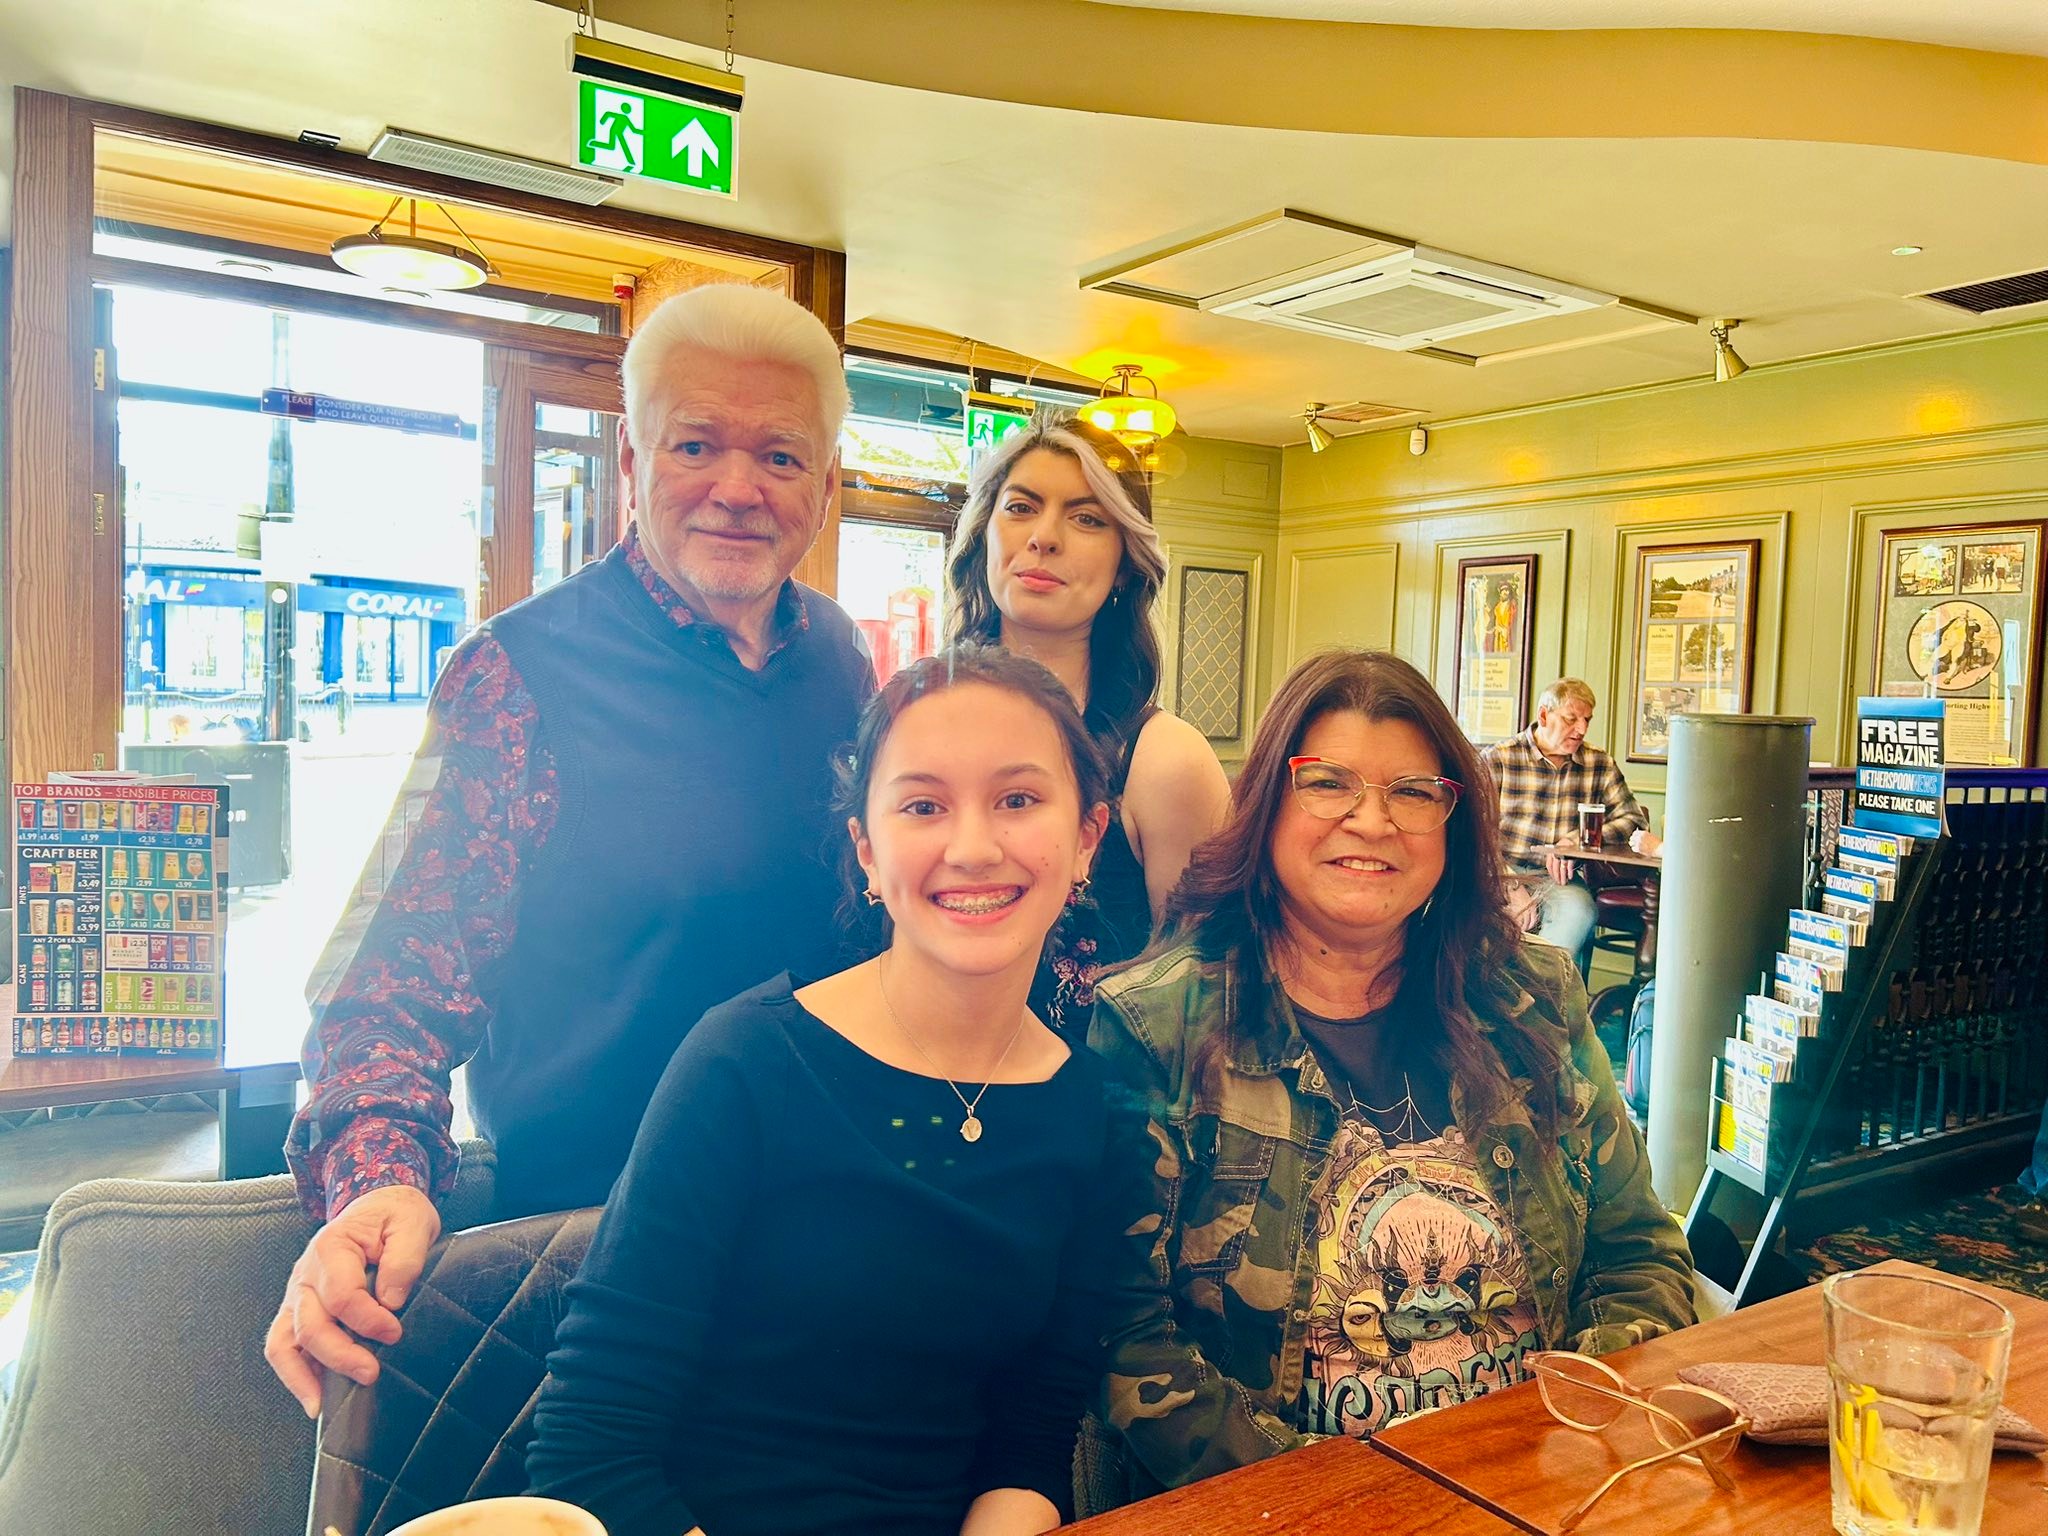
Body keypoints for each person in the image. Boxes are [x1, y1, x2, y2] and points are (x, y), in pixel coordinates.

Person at [265, 283, 876, 1417]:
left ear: (826, 487)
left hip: (822, 1238)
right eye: (696, 444)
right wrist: (378, 1182)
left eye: (782, 458)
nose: (738, 489)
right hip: (596, 1258)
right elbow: (385, 984)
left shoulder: (842, 660)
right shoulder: (512, 676)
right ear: (635, 463)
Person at [527, 646, 1143, 1536]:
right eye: (923, 805)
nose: (973, 847)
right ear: (866, 850)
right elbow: (589, 1447)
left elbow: (1031, 1439)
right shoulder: (745, 1062)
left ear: (1087, 838)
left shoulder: (1091, 1111)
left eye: (1017, 800)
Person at [1088, 649, 1694, 1490]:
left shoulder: (1538, 1000)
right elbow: (1119, 1327)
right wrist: (1342, 1497)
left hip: (1542, 1482)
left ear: (1453, 824)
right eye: (1327, 782)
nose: (1373, 822)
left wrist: (1553, 1436)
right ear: (1266, 804)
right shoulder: (1153, 1024)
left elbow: (1641, 1253)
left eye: (1413, 792)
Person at [947, 420, 1230, 1031]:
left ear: (1128, 562)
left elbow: (1201, 1005)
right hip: (913, 1093)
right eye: (1021, 507)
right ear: (984, 535)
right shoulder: (915, 725)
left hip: (1091, 1110)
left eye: (1087, 518)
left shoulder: (1163, 760)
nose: (1044, 538)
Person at [1481, 677, 1660, 975]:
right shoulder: (1498, 759)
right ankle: (1498, 1003)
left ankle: (1533, 1000)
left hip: (1557, 880)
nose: (1582, 729)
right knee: (1481, 920)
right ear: (1543, 716)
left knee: (1580, 911)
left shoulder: (1598, 764)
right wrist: (1509, 884)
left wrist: (1577, 841)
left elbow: (1633, 822)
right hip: (1500, 871)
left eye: (1587, 720)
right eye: (1571, 719)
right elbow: (1470, 831)